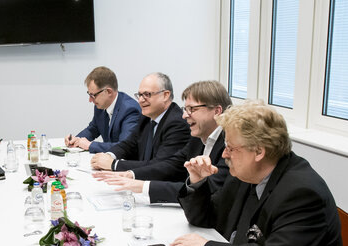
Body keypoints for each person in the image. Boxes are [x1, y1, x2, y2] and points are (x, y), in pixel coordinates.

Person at [171, 102, 342, 246]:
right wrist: (197, 182)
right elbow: (208, 218)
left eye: (231, 148)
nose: (224, 154)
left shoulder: (302, 193)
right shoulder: (248, 173)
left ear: (259, 151)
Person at [94, 80, 231, 204]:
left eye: (192, 109)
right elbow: (172, 164)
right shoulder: (198, 137)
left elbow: (212, 188)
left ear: (217, 111)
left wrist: (142, 186)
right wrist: (130, 174)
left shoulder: (229, 145)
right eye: (185, 109)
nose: (184, 115)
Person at [90, 72, 191, 172]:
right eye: (139, 95)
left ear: (165, 95)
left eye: (147, 94)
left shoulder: (177, 123)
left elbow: (159, 166)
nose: (141, 100)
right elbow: (128, 144)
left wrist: (114, 164)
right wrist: (108, 156)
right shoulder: (146, 117)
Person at [64, 66, 142, 153]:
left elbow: (124, 147)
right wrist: (76, 140)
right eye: (89, 95)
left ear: (109, 92)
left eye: (93, 95)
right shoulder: (100, 106)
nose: (90, 100)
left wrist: (90, 145)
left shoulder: (130, 110)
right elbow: (93, 129)